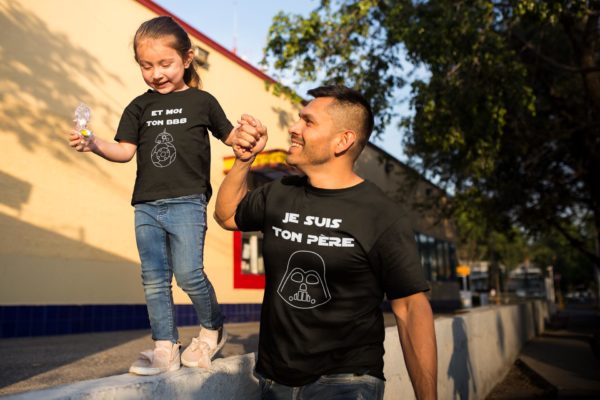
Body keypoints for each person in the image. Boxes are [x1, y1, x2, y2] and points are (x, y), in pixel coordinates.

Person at [215, 85, 438, 399]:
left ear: (343, 141)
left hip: (346, 382)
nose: (293, 128)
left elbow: (412, 309)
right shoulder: (280, 192)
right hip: (274, 381)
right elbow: (226, 216)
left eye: (308, 122)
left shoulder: (380, 214)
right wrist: (243, 161)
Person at [69, 16, 244, 376]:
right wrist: (94, 143)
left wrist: (249, 136)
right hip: (146, 205)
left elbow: (231, 138)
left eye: (165, 64)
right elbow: (124, 151)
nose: (156, 74)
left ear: (187, 58)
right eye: (146, 66)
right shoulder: (139, 106)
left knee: (189, 273)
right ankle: (165, 346)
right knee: (153, 278)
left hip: (187, 201)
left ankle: (214, 327)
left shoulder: (202, 102)